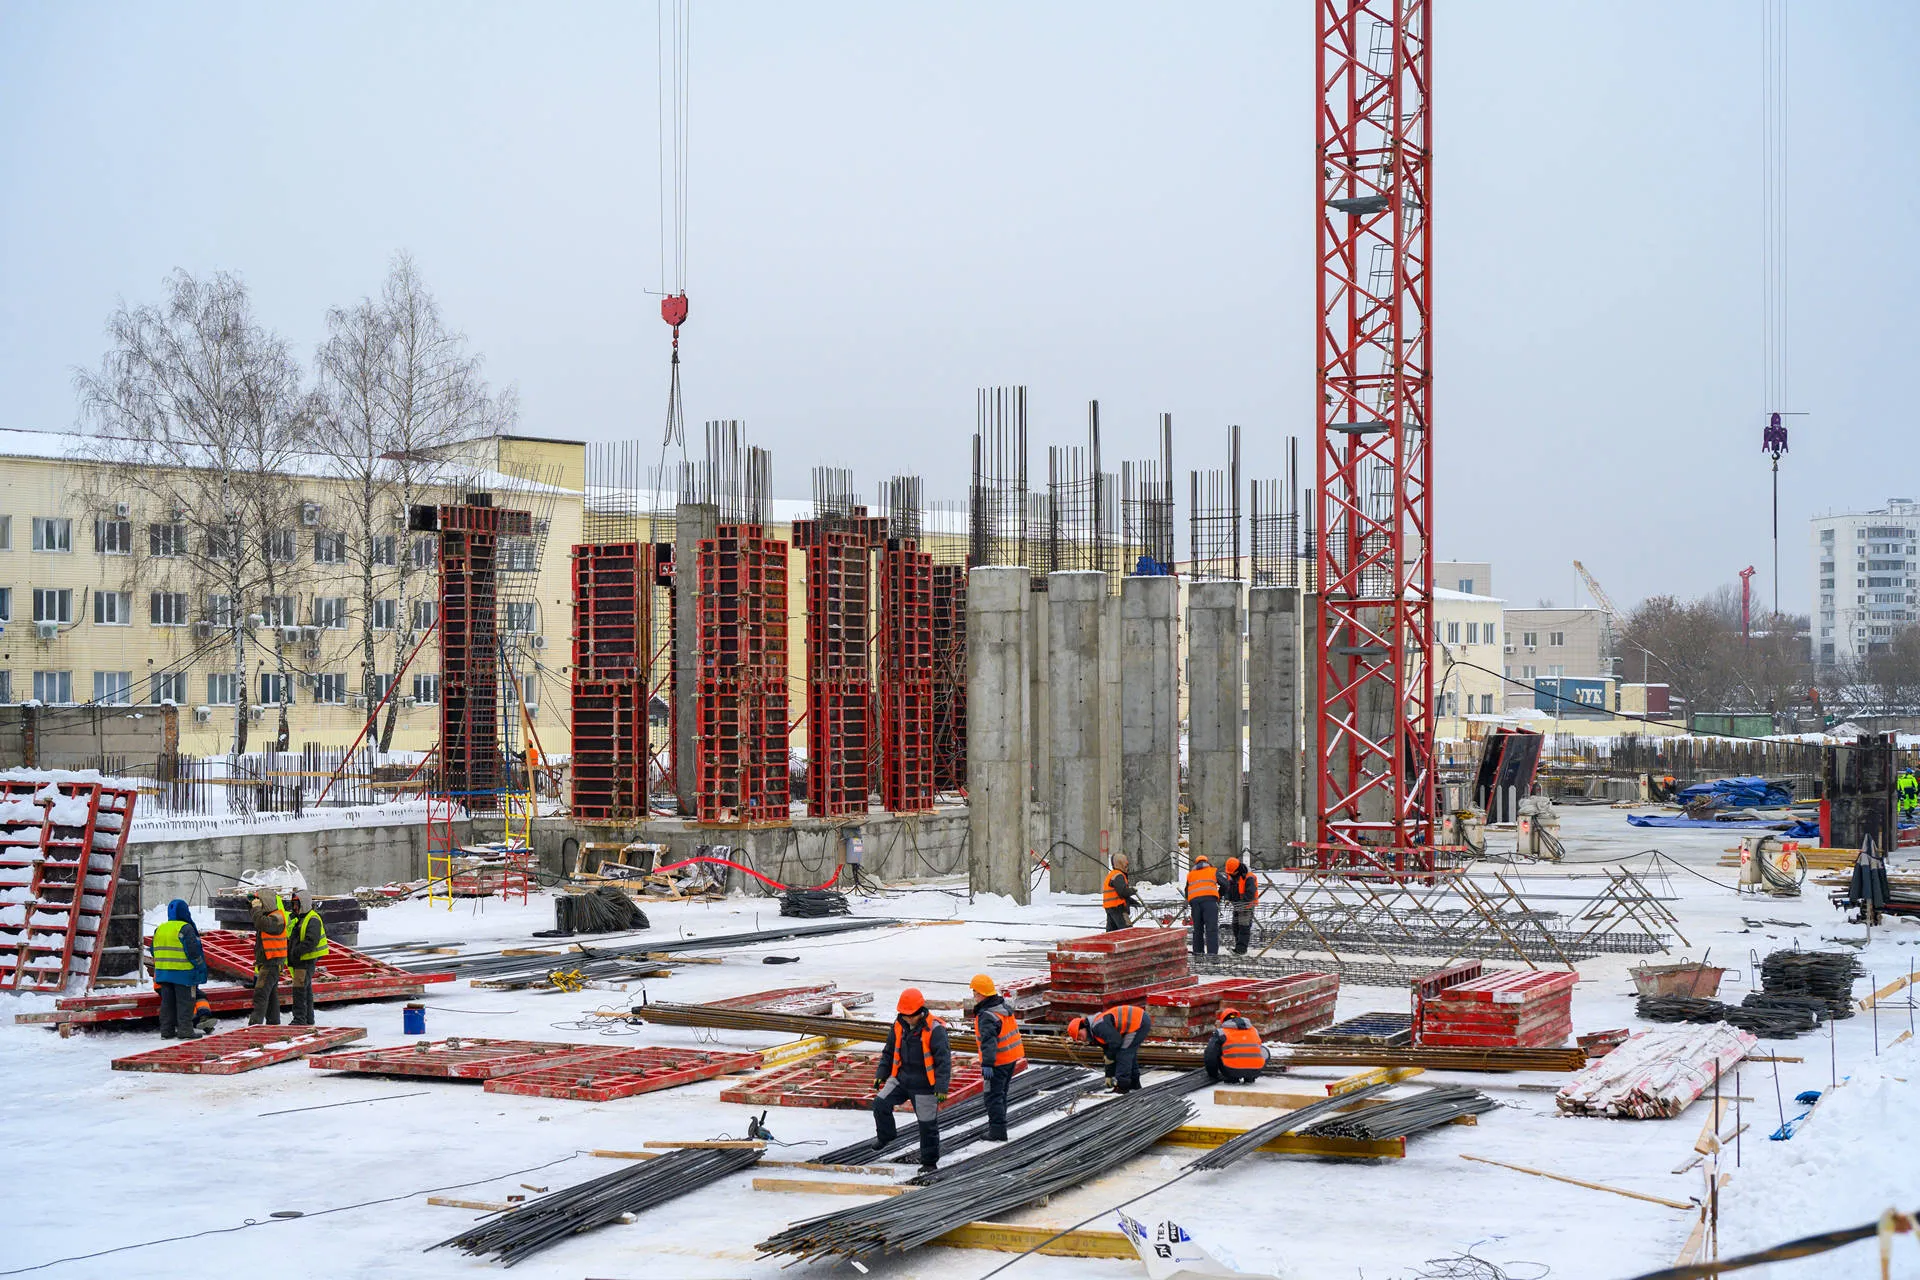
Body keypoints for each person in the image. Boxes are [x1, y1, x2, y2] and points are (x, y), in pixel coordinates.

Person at [872, 988, 952, 1170]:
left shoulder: (935, 1030)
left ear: (920, 1012)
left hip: (924, 1085)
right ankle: (886, 1136)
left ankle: (929, 1163)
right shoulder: (899, 1025)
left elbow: (943, 1061)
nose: (907, 1019)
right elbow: (888, 1052)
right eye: (904, 1015)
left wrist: (941, 1087)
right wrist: (881, 1074)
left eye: (910, 1016)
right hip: (901, 1079)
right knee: (879, 1104)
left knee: (927, 1125)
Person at [969, 974, 1026, 1141]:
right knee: (1001, 1095)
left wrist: (987, 1064)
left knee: (993, 1097)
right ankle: (999, 1127)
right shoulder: (1001, 1007)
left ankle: (997, 1132)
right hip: (1010, 1058)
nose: (974, 996)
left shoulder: (987, 1015)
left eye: (975, 993)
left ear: (981, 994)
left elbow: (988, 1043)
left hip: (998, 1062)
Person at [150, 898, 209, 1039]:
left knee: (167, 1004)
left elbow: (153, 950)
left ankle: (167, 1031)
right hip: (183, 974)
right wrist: (201, 967)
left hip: (164, 973)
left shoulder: (160, 929)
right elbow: (193, 952)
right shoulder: (185, 928)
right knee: (185, 1003)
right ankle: (185, 1031)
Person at [1068, 1004, 1152, 1092]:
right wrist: (1109, 1075)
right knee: (1127, 1052)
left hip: (1138, 1021)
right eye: (1079, 1039)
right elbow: (1108, 1052)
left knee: (1124, 1054)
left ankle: (1123, 1087)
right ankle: (1134, 1085)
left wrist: (1110, 1058)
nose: (1082, 1039)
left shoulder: (1099, 1027)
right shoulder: (1095, 1032)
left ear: (1083, 1026)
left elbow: (1116, 1042)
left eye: (1080, 1036)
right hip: (1137, 1021)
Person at [285, 890, 330, 1027]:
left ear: (302, 904)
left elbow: (311, 941)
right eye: (292, 904)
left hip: (305, 960)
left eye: (296, 904)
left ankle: (300, 1020)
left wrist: (296, 952)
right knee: (305, 991)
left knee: (299, 991)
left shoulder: (312, 919)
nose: (294, 907)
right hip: (300, 960)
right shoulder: (300, 918)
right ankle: (308, 1020)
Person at [248, 888, 290, 1026]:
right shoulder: (269, 915)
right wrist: (253, 906)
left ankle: (255, 1026)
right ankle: (273, 1024)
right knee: (271, 997)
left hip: (271, 963)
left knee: (260, 994)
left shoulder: (277, 917)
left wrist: (256, 909)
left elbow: (260, 922)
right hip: (269, 962)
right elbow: (257, 919)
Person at [1203, 1007, 1269, 1084]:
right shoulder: (1254, 1030)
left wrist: (1213, 1074)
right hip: (1255, 1070)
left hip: (1231, 1070)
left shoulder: (1221, 1032)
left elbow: (1210, 1055)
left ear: (1223, 1020)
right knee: (1263, 1050)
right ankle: (1250, 1077)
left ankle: (1232, 1078)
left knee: (1216, 1050)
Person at [1184, 854, 1222, 957]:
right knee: (1211, 929)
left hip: (1195, 904)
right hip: (1210, 902)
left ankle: (1198, 955)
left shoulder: (1190, 874)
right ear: (1207, 862)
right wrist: (1219, 895)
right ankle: (1212, 956)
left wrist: (1191, 901)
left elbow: (1187, 891)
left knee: (1197, 930)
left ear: (1196, 863)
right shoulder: (1213, 870)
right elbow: (1225, 884)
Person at [1221, 857, 1259, 955]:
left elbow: (1250, 893)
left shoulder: (1249, 877)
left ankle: (1241, 949)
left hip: (1246, 905)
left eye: (1232, 873)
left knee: (1243, 927)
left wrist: (1242, 902)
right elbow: (1229, 889)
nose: (1230, 874)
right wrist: (1227, 898)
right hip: (1237, 905)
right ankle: (1238, 946)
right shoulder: (1231, 875)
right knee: (1235, 926)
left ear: (1238, 870)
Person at [1102, 855, 1145, 932]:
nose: (1127, 867)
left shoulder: (1112, 875)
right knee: (1126, 931)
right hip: (1118, 908)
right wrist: (1132, 890)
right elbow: (1123, 892)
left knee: (1112, 932)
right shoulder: (1118, 876)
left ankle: (1110, 943)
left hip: (1110, 908)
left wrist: (1132, 901)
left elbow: (1117, 893)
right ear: (1120, 864)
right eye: (1126, 864)